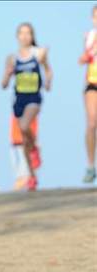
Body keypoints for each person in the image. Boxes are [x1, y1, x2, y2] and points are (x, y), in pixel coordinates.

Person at [2, 23, 52, 191]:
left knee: (24, 126)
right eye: (21, 33)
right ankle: (32, 176)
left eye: (28, 33)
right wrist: (8, 74)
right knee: (24, 140)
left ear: (32, 36)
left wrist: (48, 82)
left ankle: (34, 147)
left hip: (34, 98)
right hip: (19, 100)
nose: (24, 36)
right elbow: (3, 84)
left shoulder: (38, 53)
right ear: (17, 36)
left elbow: (48, 70)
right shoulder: (12, 58)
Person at [79, 5, 97, 183]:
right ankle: (91, 166)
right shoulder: (90, 36)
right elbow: (82, 59)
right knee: (92, 123)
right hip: (92, 84)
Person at [10, 113, 39, 190]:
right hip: (15, 144)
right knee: (20, 175)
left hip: (25, 145)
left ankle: (17, 191)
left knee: (24, 175)